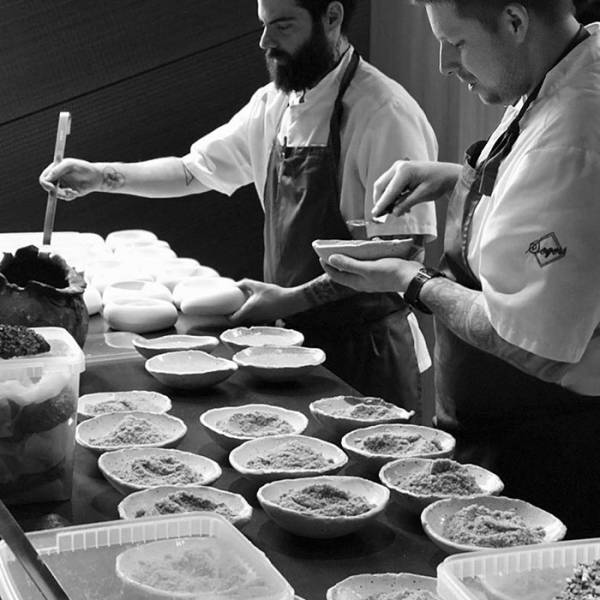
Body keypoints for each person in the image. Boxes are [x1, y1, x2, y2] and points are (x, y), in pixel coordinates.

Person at [39, 0, 438, 416]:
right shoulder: (274, 105)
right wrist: (100, 176)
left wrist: (290, 300)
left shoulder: (383, 113)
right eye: (263, 25)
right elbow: (192, 171)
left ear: (332, 18)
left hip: (365, 351)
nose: (265, 41)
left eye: (282, 26)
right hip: (291, 344)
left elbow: (400, 252)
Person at [323, 0, 600, 537]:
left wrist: (411, 282)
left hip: (548, 450)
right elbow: (547, 202)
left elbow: (532, 344)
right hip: (502, 432)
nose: (444, 64)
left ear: (515, 22)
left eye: (456, 43)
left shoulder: (573, 136)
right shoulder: (568, 62)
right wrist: (456, 179)